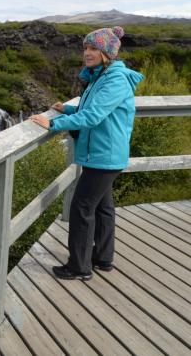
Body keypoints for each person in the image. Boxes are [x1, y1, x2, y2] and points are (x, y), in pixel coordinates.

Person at [29, 26, 144, 280]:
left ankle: (79, 267)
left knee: (82, 207)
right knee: (103, 207)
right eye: (85, 48)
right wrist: (67, 111)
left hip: (105, 155)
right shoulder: (101, 76)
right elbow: (88, 107)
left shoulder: (114, 79)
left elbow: (93, 116)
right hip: (105, 154)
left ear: (106, 52)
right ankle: (103, 259)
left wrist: (53, 123)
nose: (87, 53)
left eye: (93, 48)